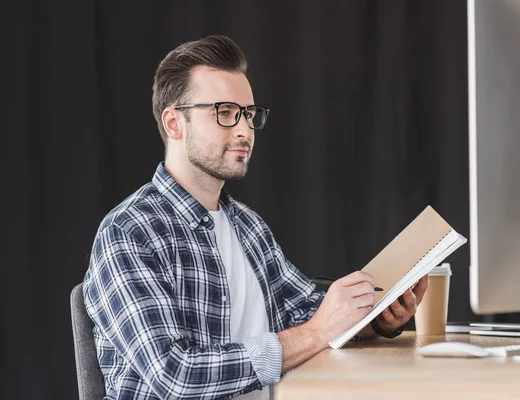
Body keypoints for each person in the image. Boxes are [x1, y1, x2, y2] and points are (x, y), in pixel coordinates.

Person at [83, 35, 428, 400]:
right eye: (225, 112)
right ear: (174, 123)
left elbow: (310, 312)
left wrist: (376, 319)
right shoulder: (129, 232)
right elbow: (175, 374)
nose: (245, 130)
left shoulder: (246, 226)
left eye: (248, 114)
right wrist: (315, 333)